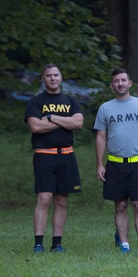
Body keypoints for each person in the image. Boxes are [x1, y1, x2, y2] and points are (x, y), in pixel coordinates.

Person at [94, 68, 138, 253]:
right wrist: (99, 163)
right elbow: (101, 137)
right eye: (116, 81)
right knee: (120, 205)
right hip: (115, 163)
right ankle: (124, 244)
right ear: (112, 85)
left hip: (137, 162)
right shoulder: (105, 108)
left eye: (123, 80)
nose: (120, 83)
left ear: (130, 83)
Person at [25, 63, 84, 253]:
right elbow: (36, 127)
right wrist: (64, 121)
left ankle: (57, 244)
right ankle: (38, 244)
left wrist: (50, 118)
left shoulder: (70, 100)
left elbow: (78, 123)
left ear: (61, 77)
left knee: (62, 200)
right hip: (44, 155)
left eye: (56, 75)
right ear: (43, 79)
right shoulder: (35, 102)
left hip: (66, 155)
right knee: (44, 198)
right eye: (48, 75)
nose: (52, 78)